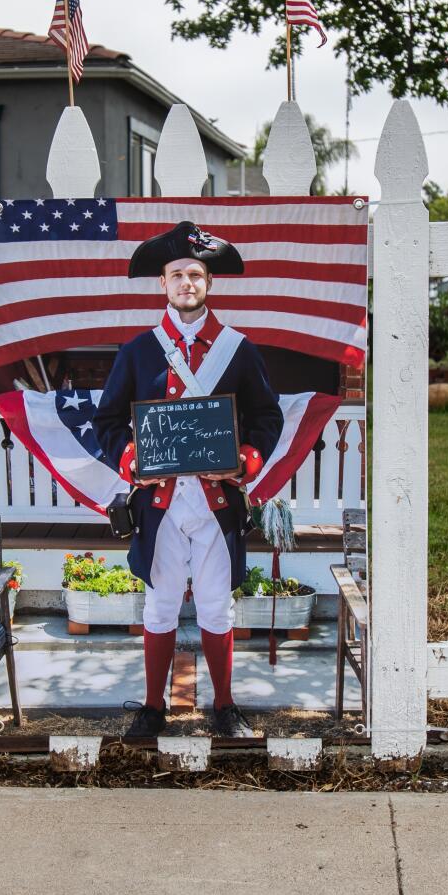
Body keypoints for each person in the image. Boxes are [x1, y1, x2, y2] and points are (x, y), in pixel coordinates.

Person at [94, 221, 285, 740]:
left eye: (195, 274)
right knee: (158, 605)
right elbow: (107, 422)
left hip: (215, 500)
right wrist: (130, 460)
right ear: (163, 284)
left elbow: (269, 418)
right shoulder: (138, 351)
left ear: (208, 283)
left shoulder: (238, 350)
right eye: (177, 274)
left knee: (216, 604)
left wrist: (245, 462)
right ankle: (153, 708)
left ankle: (224, 706)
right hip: (160, 504)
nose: (186, 283)